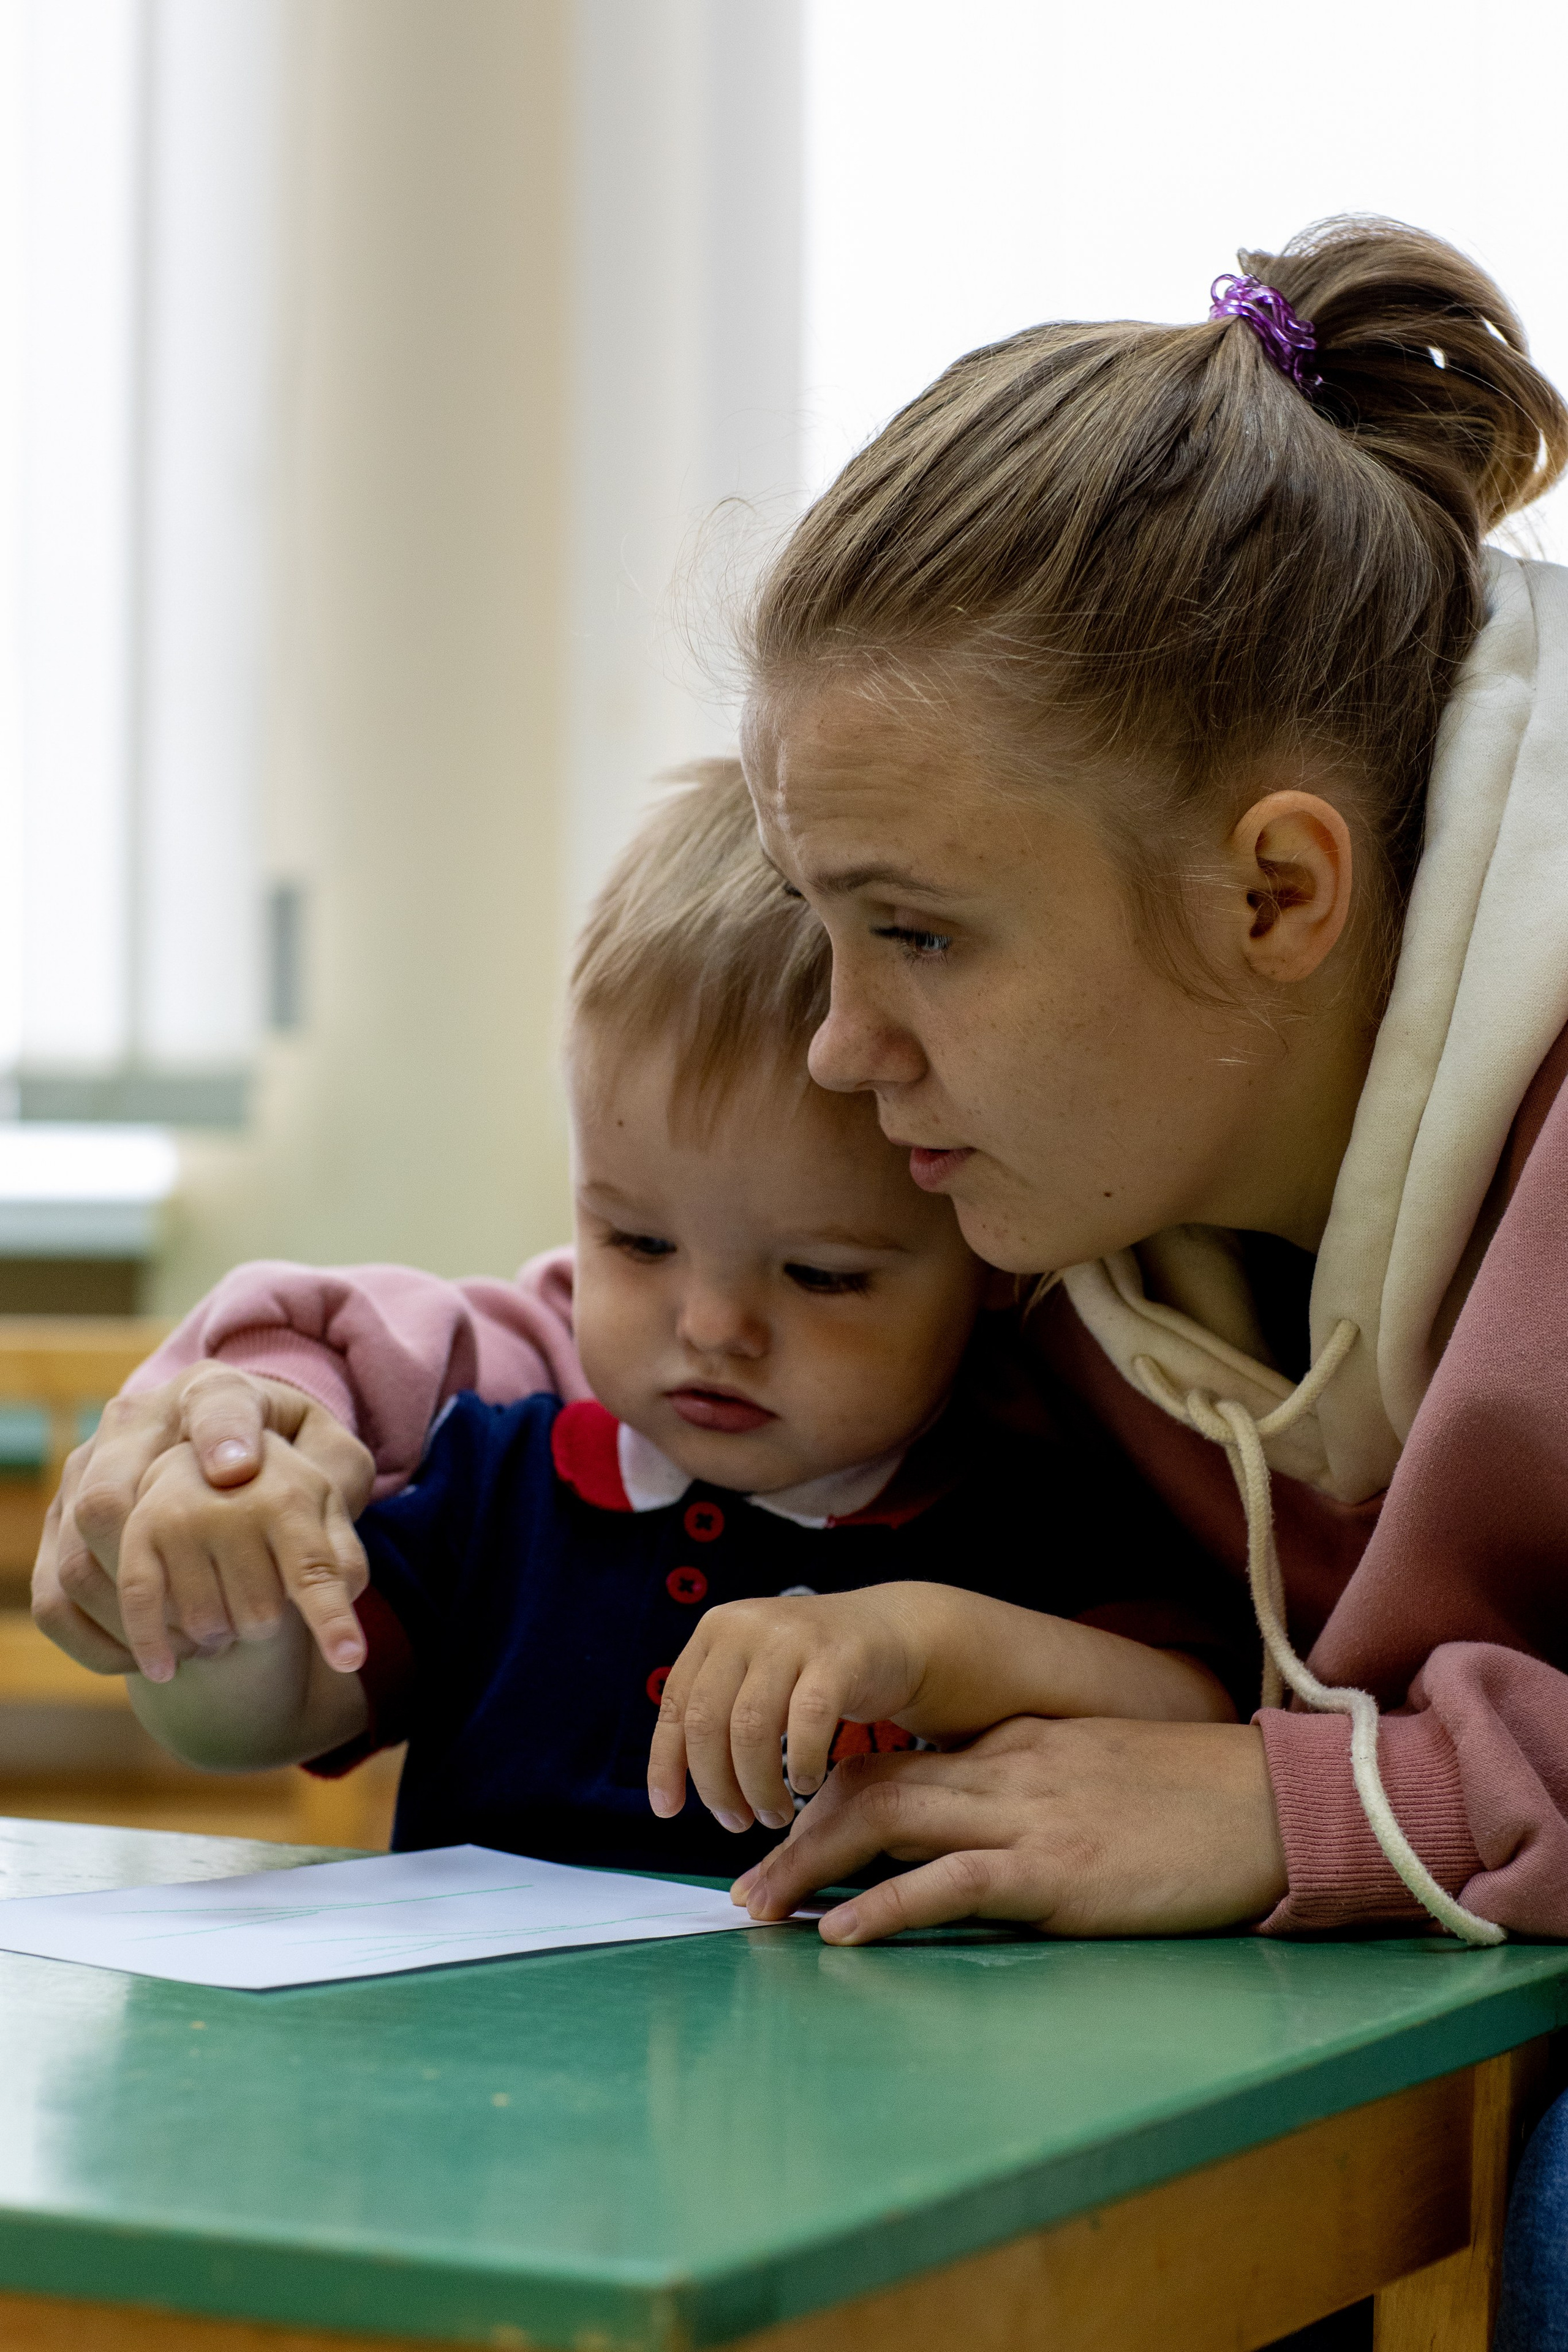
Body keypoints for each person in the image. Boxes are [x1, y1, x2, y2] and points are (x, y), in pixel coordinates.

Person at [112, 764, 1242, 1879]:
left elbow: (1197, 1719)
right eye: (637, 1243)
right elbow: (252, 1724)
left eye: (820, 1275)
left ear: (995, 1250)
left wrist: (924, 1645)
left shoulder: (1033, 1511)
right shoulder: (496, 1490)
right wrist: (211, 1601)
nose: (711, 1327)